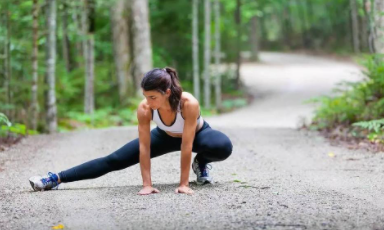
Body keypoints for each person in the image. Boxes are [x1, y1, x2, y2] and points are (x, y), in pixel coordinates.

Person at [29, 67, 233, 195]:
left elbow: (186, 146)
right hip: (164, 136)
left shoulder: (188, 103)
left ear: (167, 93)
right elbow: (144, 147)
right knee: (114, 160)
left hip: (197, 136)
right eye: (145, 96)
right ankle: (55, 179)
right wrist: (147, 184)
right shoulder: (145, 108)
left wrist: (184, 184)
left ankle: (202, 163)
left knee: (221, 146)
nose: (148, 101)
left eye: (153, 97)